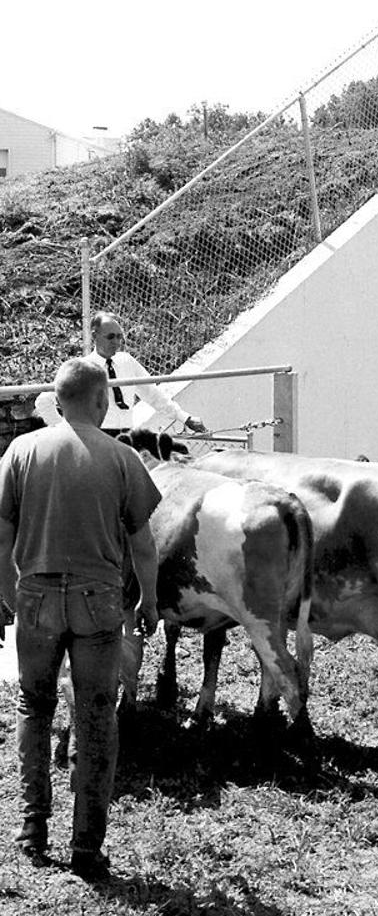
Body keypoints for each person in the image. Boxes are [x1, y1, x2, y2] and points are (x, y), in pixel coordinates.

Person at [0, 358, 161, 881]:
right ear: (100, 400)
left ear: (56, 399)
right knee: (95, 716)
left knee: (34, 706)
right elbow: (142, 542)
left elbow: (1, 539)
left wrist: (10, 596)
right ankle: (87, 846)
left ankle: (31, 829)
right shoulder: (121, 457)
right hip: (99, 601)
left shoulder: (21, 451)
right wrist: (150, 602)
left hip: (37, 597)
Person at [35, 312, 206, 435]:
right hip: (97, 438)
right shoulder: (81, 368)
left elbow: (152, 394)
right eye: (110, 337)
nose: (117, 342)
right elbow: (44, 401)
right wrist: (67, 432)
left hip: (126, 436)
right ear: (95, 336)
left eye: (119, 337)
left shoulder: (127, 362)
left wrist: (185, 418)